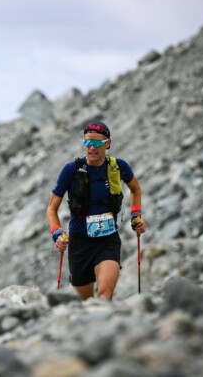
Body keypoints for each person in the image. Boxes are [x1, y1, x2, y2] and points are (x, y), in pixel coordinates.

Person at [46, 121, 146, 300]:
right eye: (87, 142)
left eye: (97, 143)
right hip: (79, 243)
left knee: (104, 295)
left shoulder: (119, 167)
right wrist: (57, 234)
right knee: (85, 303)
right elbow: (52, 208)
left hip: (108, 240)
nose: (91, 147)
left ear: (108, 144)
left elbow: (136, 190)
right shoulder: (71, 170)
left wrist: (136, 215)